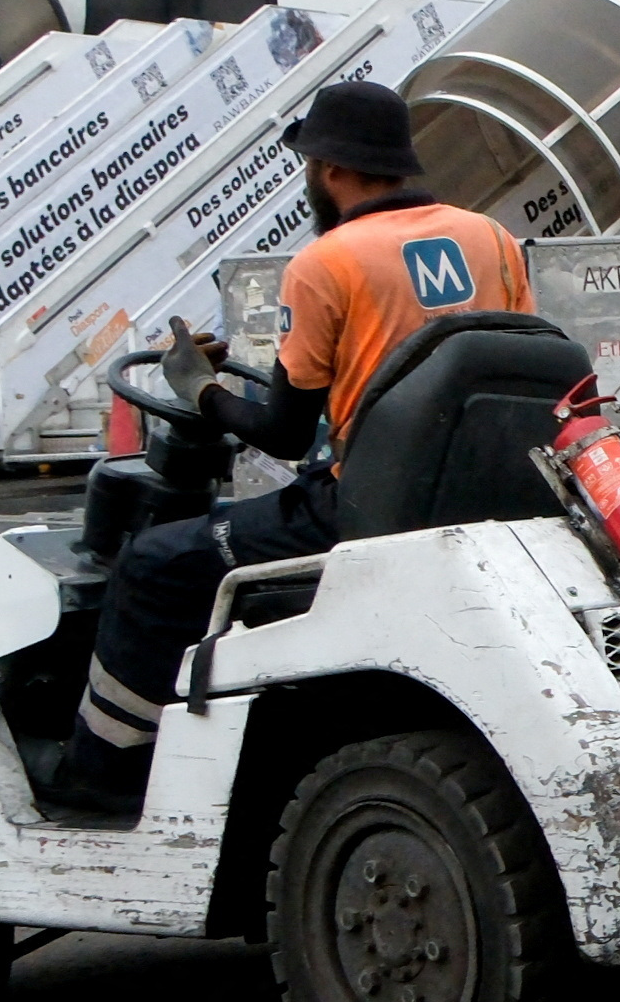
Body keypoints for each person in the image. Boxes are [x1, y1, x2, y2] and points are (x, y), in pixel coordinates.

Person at [45, 79, 530, 818]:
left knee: (153, 565)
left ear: (330, 168)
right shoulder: (488, 238)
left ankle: (102, 770)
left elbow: (282, 429)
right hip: (480, 491)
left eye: (309, 165)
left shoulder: (328, 262)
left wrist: (200, 389)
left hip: (362, 507)